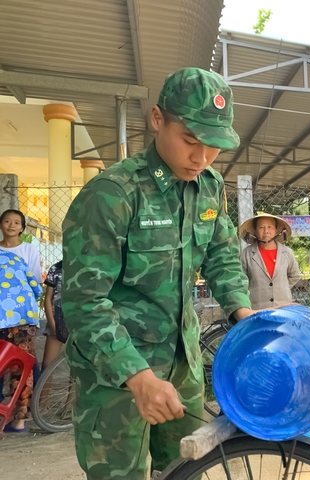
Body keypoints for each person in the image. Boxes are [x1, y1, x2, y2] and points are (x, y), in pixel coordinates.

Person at [61, 67, 255, 480]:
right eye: (190, 140)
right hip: (116, 376)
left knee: (186, 469)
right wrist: (138, 377)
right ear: (156, 119)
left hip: (182, 365)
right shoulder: (113, 195)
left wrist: (243, 314)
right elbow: (83, 301)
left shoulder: (208, 186)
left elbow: (220, 254)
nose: (201, 157)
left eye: (213, 146)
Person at [0, 249, 42, 434]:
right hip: (25, 315)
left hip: (3, 315)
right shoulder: (15, 258)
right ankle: (19, 422)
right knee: (22, 366)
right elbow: (37, 288)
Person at [239, 213, 301, 309]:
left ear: (276, 230)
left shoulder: (287, 253)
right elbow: (241, 280)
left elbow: (295, 275)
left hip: (283, 306)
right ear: (255, 231)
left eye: (270, 227)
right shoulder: (247, 254)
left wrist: (281, 287)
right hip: (257, 308)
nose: (266, 231)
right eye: (261, 228)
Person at [0, 209, 42, 284]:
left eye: (17, 223)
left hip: (22, 295)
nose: (12, 225)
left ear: (22, 228)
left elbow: (36, 280)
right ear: (0, 225)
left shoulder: (29, 249)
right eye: (7, 221)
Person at [42, 260, 67, 369]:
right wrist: (52, 325)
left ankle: (72, 387)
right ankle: (45, 387)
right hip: (57, 320)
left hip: (78, 322)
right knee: (48, 365)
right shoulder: (56, 268)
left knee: (77, 370)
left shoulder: (86, 267)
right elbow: (48, 299)